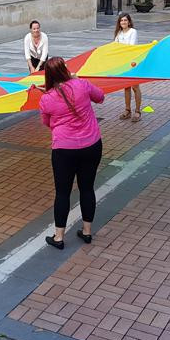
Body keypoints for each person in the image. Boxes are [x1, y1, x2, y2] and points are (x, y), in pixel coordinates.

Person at [38, 57, 104, 250]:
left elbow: (47, 122)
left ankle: (59, 237)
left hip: (63, 150)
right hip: (91, 145)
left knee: (62, 192)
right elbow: (100, 97)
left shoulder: (46, 98)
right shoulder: (82, 84)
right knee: (87, 188)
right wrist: (77, 80)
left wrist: (51, 97)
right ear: (65, 71)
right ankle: (87, 231)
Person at [114, 13, 142, 122]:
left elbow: (131, 47)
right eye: (121, 21)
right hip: (123, 63)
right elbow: (115, 46)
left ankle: (138, 111)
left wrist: (120, 50)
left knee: (135, 87)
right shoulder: (119, 33)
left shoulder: (133, 32)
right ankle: (127, 110)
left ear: (129, 22)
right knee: (126, 87)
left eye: (125, 20)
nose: (123, 22)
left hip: (133, 62)